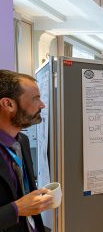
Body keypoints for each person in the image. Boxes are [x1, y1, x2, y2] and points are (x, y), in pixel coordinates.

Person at [0, 70, 53, 232]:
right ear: (8, 104)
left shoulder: (22, 140)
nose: (42, 105)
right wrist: (16, 210)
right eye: (36, 98)